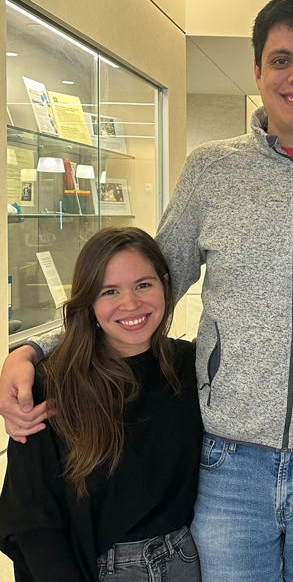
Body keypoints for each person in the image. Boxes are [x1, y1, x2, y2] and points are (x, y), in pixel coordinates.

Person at [0, 0, 293, 582]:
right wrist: (35, 348)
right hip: (230, 460)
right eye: (281, 60)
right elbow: (138, 286)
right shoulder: (211, 169)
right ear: (258, 72)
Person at [0, 227, 202, 582]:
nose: (131, 304)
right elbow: (32, 519)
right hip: (97, 570)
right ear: (89, 303)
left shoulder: (191, 368)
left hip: (185, 562)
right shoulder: (51, 385)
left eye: (144, 284)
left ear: (166, 285)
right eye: (110, 292)